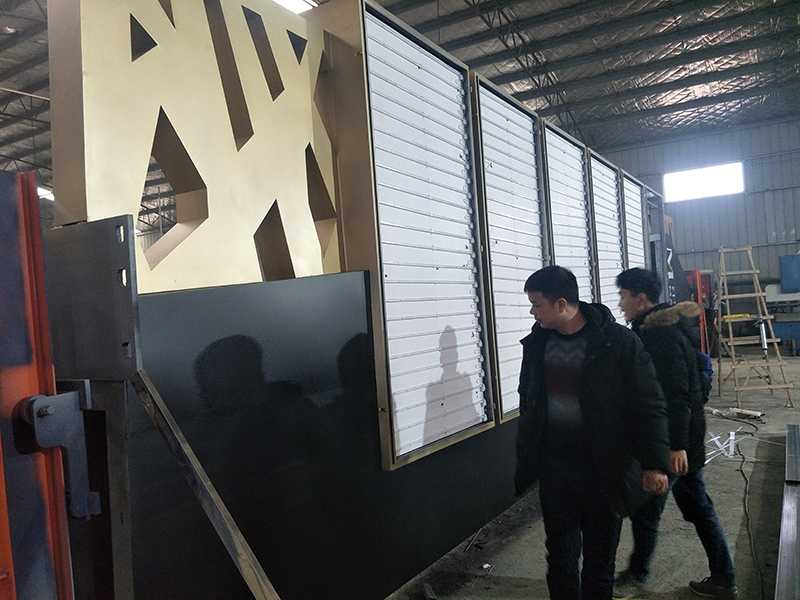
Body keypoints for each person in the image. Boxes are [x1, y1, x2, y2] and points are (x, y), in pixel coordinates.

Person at [515, 265, 671, 600]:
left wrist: (654, 463)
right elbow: (529, 399)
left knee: (600, 562)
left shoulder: (617, 342)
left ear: (561, 304)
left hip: (605, 470)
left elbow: (649, 404)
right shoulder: (538, 343)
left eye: (537, 304)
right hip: (556, 470)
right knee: (560, 558)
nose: (532, 312)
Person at [614, 268, 737, 600]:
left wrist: (675, 446)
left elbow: (676, 395)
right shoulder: (664, 327)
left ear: (640, 298)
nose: (620, 303)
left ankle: (637, 574)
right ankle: (723, 577)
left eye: (623, 296)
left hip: (671, 442)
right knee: (698, 507)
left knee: (646, 509)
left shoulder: (659, 336)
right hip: (684, 439)